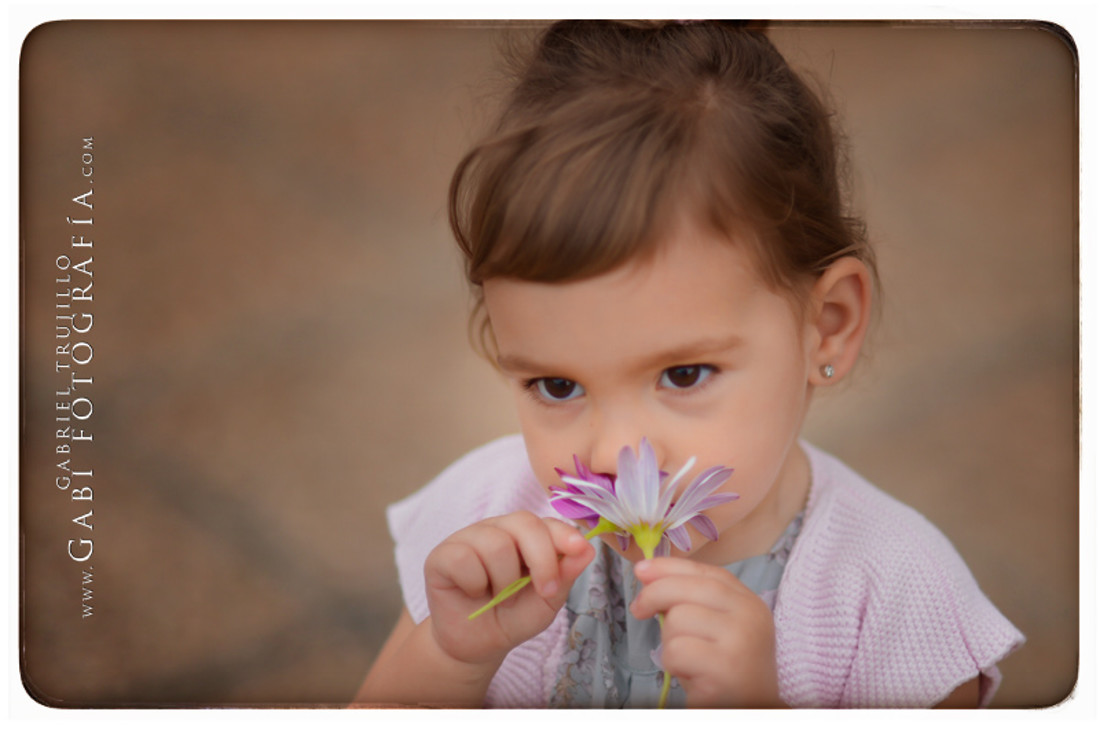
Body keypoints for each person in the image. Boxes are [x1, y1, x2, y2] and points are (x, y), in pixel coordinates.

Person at [355, 20, 1024, 709]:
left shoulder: (895, 597)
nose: (614, 452)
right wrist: (445, 656)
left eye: (683, 375)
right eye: (557, 385)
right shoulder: (488, 521)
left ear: (826, 327)